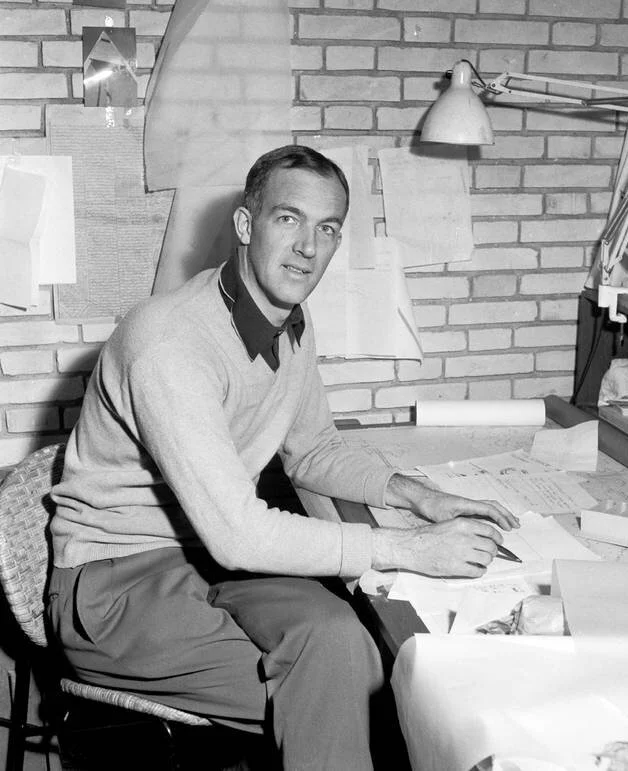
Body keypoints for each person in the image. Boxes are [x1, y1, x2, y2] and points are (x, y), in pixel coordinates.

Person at [46, 145, 519, 771]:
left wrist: (415, 495)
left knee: (346, 644)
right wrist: (406, 549)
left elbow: (313, 449)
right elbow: (241, 535)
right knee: (353, 682)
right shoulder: (170, 344)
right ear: (246, 225)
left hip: (205, 556)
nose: (307, 247)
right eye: (287, 219)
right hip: (115, 582)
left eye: (326, 229)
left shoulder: (289, 320)